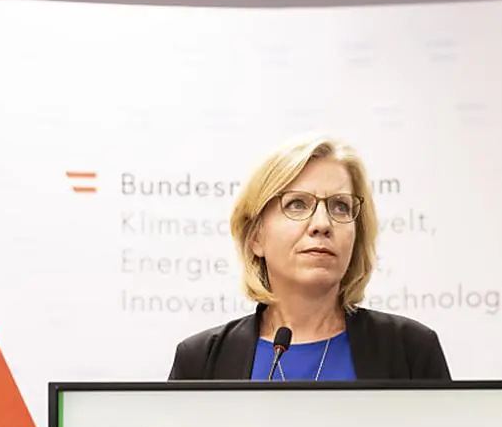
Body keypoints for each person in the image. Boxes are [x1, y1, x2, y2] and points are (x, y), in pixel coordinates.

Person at [168, 134, 451, 381]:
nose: (323, 224)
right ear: (256, 237)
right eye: (297, 204)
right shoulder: (201, 360)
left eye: (340, 206)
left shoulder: (410, 351)